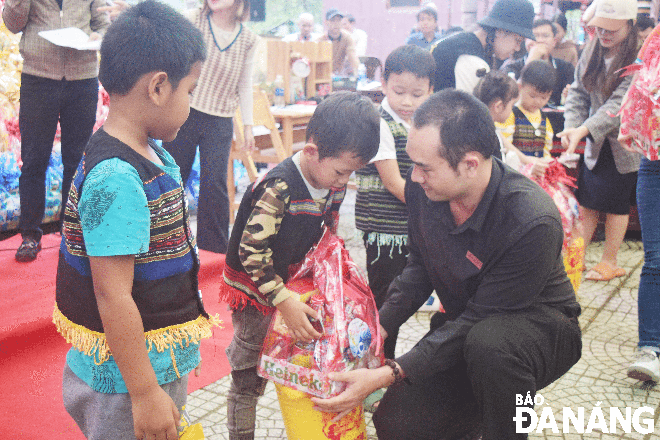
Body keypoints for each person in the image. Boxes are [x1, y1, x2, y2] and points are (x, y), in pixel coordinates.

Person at [311, 89, 582, 439]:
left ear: (470, 164)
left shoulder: (530, 220)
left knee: (491, 348)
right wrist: (379, 324)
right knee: (397, 422)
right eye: (412, 163)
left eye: (425, 167)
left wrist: (389, 372)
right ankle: (470, 418)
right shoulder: (429, 191)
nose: (414, 177)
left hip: (537, 332)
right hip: (468, 327)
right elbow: (420, 267)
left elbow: (481, 319)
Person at [53, 2, 218, 439]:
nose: (190, 105)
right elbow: (112, 294)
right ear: (159, 87)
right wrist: (145, 392)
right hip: (128, 385)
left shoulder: (147, 150)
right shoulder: (118, 179)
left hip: (145, 366)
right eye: (191, 91)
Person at [219, 91, 379, 440]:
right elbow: (252, 252)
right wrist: (283, 301)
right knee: (248, 380)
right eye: (340, 171)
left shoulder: (331, 182)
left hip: (294, 288)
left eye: (351, 174)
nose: (343, 182)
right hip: (257, 295)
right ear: (311, 151)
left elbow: (327, 238)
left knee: (296, 360)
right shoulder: (279, 187)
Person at [3, 0, 110, 262]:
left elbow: (103, 23)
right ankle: (29, 235)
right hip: (38, 78)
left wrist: (99, 37)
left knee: (76, 160)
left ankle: (71, 231)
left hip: (82, 79)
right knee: (34, 159)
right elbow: (13, 24)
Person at [355, 45, 435, 360]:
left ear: (431, 90)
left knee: (399, 298)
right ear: (384, 84)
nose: (406, 101)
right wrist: (432, 209)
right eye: (398, 91)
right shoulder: (380, 122)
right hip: (385, 229)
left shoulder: (422, 122)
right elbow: (393, 182)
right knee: (384, 300)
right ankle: (374, 365)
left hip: (408, 225)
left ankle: (382, 362)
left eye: (417, 94)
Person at [162, 0, 258, 254]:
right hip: (184, 109)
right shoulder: (193, 19)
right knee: (172, 175)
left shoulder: (248, 38)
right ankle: (160, 240)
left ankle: (214, 250)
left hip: (221, 117)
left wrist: (247, 125)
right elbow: (162, 32)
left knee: (214, 183)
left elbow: (245, 84)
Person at [558, 0, 640, 282]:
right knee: (587, 203)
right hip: (595, 144)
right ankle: (575, 258)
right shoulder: (590, 51)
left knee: (616, 206)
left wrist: (583, 129)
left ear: (629, 26)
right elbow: (578, 94)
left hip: (624, 147)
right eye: (599, 29)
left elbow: (620, 105)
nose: (603, 34)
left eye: (611, 30)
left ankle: (609, 261)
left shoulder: (639, 58)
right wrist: (571, 128)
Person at [620, 24, 660, 382]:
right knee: (657, 259)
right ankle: (650, 347)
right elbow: (634, 94)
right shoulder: (655, 40)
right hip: (655, 163)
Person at [431, 0, 534, 94]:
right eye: (517, 40)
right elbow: (474, 112)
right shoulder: (473, 60)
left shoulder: (464, 42)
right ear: (500, 31)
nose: (517, 48)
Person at [473, 69, 550, 178]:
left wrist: (528, 161)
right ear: (499, 106)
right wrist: (527, 171)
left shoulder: (484, 127)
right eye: (512, 104)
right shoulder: (487, 137)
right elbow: (496, 175)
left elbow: (505, 143)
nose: (512, 108)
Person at [502, 19, 575, 107]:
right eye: (534, 36)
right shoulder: (511, 68)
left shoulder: (566, 68)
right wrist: (531, 60)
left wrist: (567, 97)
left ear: (554, 41)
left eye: (545, 36)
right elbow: (507, 98)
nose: (540, 40)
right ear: (526, 40)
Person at [499, 60, 556, 159]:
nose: (538, 102)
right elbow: (503, 146)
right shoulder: (510, 114)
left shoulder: (544, 119)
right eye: (533, 96)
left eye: (544, 98)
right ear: (520, 87)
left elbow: (547, 150)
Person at [320, 8, 360, 76]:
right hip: (324, 75)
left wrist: (357, 70)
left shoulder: (347, 37)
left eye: (339, 20)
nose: (336, 23)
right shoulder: (320, 40)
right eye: (332, 20)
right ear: (326, 22)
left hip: (340, 75)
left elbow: (353, 58)